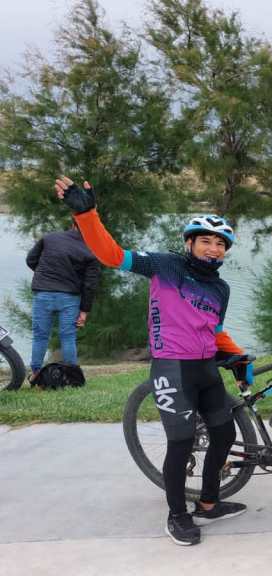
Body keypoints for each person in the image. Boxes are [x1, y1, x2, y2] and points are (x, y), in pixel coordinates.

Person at [54, 176, 251, 547]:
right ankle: (178, 515)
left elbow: (216, 329)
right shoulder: (164, 266)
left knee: (224, 434)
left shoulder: (220, 288)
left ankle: (208, 503)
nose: (213, 248)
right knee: (181, 441)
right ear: (189, 243)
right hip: (172, 367)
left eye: (220, 244)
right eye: (206, 241)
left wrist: (236, 354)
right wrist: (87, 215)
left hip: (207, 368)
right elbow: (112, 255)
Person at [25, 220, 100, 380]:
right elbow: (90, 284)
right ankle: (71, 377)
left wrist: (45, 275)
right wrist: (84, 311)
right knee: (68, 337)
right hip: (69, 297)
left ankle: (36, 374)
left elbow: (31, 260)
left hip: (43, 293)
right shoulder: (92, 250)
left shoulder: (49, 238)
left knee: (40, 336)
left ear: (73, 225)